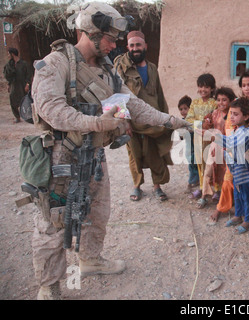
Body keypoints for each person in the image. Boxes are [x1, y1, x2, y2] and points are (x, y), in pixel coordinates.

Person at [30, 2, 190, 300]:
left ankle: (89, 260)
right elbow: (51, 110)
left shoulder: (106, 69)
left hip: (93, 156)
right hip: (61, 157)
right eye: (109, 38)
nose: (115, 44)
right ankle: (50, 285)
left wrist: (170, 120)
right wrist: (97, 123)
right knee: (55, 223)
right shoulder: (56, 63)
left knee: (96, 212)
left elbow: (133, 105)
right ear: (89, 32)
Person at [114, 30, 172, 202]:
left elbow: (159, 95)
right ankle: (137, 186)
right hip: (131, 120)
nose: (135, 48)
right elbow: (116, 94)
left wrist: (165, 118)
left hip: (152, 120)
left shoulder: (152, 68)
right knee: (135, 154)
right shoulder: (120, 66)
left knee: (155, 152)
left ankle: (157, 186)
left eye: (138, 45)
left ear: (145, 46)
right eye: (132, 45)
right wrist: (123, 122)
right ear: (127, 47)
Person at [212, 97, 249, 234]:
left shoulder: (248, 132)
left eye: (236, 114)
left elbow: (232, 144)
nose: (231, 117)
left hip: (246, 172)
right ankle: (238, 215)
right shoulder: (236, 130)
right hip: (236, 171)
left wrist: (213, 136)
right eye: (231, 113)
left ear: (246, 116)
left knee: (248, 195)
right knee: (238, 194)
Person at [197, 87, 236, 209]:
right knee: (208, 170)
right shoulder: (215, 113)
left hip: (227, 148)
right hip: (215, 146)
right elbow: (209, 126)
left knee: (225, 173)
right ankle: (204, 196)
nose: (221, 103)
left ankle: (226, 198)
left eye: (224, 100)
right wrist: (205, 125)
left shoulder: (233, 115)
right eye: (218, 100)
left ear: (231, 101)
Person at [185, 73, 218, 199]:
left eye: (206, 87)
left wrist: (207, 124)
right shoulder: (195, 103)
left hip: (210, 139)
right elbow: (189, 119)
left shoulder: (214, 103)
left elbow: (215, 119)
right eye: (200, 86)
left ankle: (214, 189)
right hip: (197, 139)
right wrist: (200, 123)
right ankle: (201, 187)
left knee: (211, 163)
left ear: (212, 89)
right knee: (200, 164)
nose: (202, 90)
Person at [3, 47, 31, 123]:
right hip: (13, 85)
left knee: (25, 100)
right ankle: (17, 117)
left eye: (9, 54)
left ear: (12, 54)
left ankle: (28, 116)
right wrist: (9, 84)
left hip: (22, 85)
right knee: (12, 100)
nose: (8, 55)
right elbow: (9, 76)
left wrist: (27, 84)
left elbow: (28, 75)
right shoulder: (10, 65)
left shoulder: (23, 64)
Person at [178, 95, 199, 192]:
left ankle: (192, 183)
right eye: (181, 109)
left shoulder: (194, 121)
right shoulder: (182, 122)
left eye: (185, 108)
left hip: (195, 147)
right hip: (188, 148)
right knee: (191, 164)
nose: (183, 111)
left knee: (195, 164)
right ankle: (194, 182)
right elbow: (181, 136)